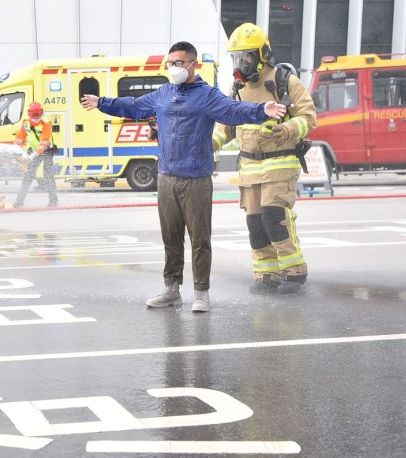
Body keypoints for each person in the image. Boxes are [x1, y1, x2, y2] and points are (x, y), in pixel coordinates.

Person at [81, 41, 286, 312]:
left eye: (179, 63)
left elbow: (233, 110)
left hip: (196, 179)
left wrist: (261, 111)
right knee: (171, 237)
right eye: (170, 63)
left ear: (193, 64)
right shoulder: (163, 94)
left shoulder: (207, 95)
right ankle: (171, 290)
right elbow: (133, 106)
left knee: (200, 239)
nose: (174, 67)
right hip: (166, 177)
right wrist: (101, 103)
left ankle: (201, 293)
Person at [215, 23, 317, 294]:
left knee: (275, 218)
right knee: (255, 224)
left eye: (246, 56)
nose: (241, 63)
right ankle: (266, 273)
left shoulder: (285, 81)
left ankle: (295, 269)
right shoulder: (236, 87)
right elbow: (225, 124)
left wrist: (287, 129)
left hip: (280, 163)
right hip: (249, 167)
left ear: (262, 55)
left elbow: (308, 118)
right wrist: (211, 143)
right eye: (236, 58)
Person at [13, 101, 58, 209]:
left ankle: (53, 201)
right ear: (29, 114)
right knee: (28, 175)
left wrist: (33, 155)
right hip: (34, 151)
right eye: (33, 115)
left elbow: (44, 142)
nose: (35, 118)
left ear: (41, 113)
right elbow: (20, 139)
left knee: (48, 175)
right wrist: (15, 151)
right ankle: (19, 201)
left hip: (47, 150)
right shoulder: (26, 123)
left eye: (37, 115)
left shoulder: (46, 123)